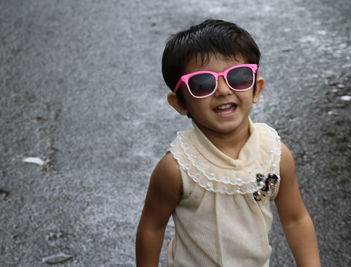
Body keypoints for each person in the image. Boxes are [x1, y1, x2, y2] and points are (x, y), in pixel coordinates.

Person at [136, 19, 321, 267]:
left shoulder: (274, 154)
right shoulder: (177, 168)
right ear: (180, 103)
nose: (223, 90)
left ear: (256, 89)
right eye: (202, 84)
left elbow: (296, 219)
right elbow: (152, 227)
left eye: (239, 77)